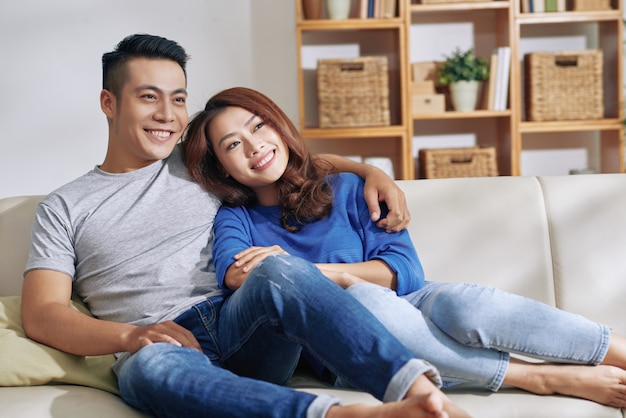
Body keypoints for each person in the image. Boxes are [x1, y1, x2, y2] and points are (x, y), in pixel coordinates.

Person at [19, 33, 473, 418]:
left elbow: (281, 160)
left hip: (243, 323)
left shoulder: (197, 161)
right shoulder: (65, 205)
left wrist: (371, 172)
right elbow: (43, 314)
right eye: (148, 97)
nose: (167, 114)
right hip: (161, 344)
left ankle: (418, 391)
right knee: (147, 371)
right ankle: (337, 415)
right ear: (109, 102)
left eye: (178, 98)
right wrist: (131, 336)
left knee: (279, 268)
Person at [182, 86, 626, 409]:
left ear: (278, 125)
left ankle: (616, 350)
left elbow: (405, 270)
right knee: (367, 299)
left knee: (460, 303)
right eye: (233, 145)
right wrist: (347, 281)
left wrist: (319, 273)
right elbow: (237, 275)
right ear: (223, 168)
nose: (255, 145)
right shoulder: (234, 218)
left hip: (411, 297)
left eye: (259, 126)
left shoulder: (350, 187)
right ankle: (537, 378)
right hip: (345, 340)